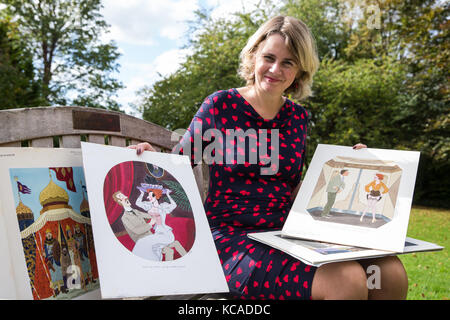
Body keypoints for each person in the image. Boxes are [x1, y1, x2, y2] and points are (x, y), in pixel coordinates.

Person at [129, 15, 408, 300]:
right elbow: (178, 167)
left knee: (388, 273)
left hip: (286, 234)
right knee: (346, 280)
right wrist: (152, 161)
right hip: (229, 238)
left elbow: (295, 190)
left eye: (288, 62)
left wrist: (349, 167)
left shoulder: (298, 117)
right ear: (253, 57)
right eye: (269, 58)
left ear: (300, 71)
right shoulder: (220, 105)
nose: (275, 69)